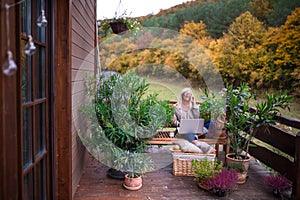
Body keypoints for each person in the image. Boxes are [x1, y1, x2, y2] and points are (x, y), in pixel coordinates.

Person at [172, 88, 214, 153]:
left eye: (190, 94)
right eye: (186, 94)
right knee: (188, 130)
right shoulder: (176, 107)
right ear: (182, 95)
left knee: (211, 123)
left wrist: (194, 103)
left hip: (194, 127)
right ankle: (198, 143)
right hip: (183, 129)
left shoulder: (193, 106)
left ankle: (196, 138)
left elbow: (196, 116)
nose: (188, 95)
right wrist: (180, 124)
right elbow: (174, 122)